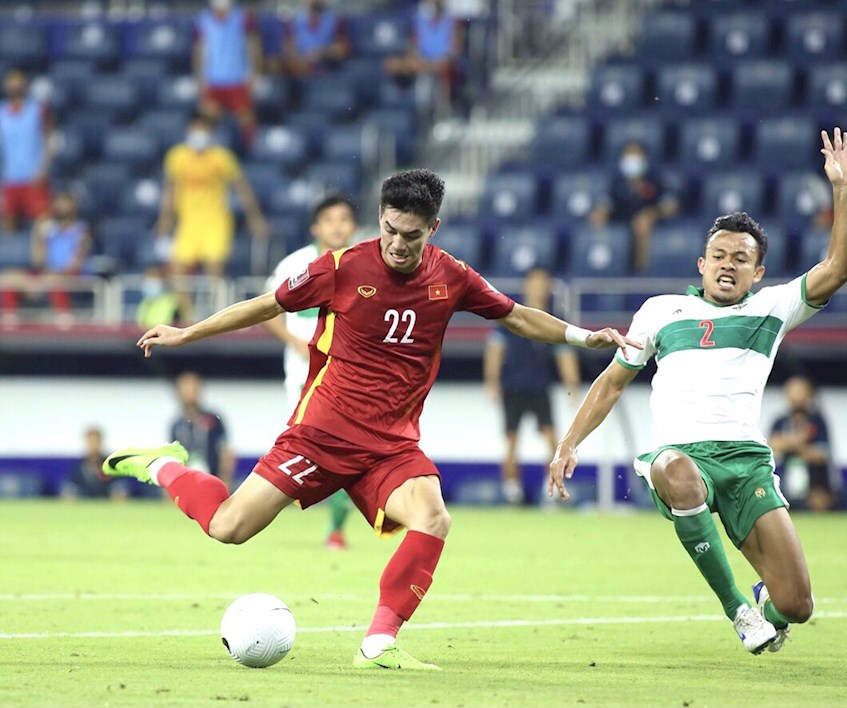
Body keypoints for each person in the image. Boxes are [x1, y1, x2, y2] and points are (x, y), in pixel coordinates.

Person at [103, 168, 633, 670]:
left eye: (411, 235)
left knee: (433, 517)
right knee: (228, 527)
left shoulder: (451, 276)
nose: (397, 244)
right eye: (389, 230)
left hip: (392, 444)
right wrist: (187, 332)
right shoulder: (341, 267)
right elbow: (267, 305)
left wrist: (582, 336)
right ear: (380, 217)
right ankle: (162, 465)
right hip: (321, 434)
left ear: (433, 228)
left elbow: (516, 315)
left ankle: (379, 643)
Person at [550, 129, 847, 655]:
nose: (727, 264)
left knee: (797, 605)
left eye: (740, 258)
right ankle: (738, 609)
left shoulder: (771, 308)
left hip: (745, 463)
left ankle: (766, 607)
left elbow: (840, 268)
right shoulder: (660, 311)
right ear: (701, 264)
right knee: (678, 470)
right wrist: (568, 442)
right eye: (718, 255)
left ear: (757, 272)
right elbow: (611, 382)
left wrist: (843, 190)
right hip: (677, 456)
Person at [264, 194, 358, 549]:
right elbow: (266, 310)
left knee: (347, 449)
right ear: (315, 228)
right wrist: (293, 342)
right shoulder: (295, 264)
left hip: (348, 375)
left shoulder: (364, 263)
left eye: (343, 219)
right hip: (304, 374)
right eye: (329, 219)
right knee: (303, 445)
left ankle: (335, 528)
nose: (337, 226)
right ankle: (265, 506)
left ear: (353, 226)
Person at [154, 112, 268, 319]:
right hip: (188, 222)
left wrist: (255, 218)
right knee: (176, 269)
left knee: (214, 268)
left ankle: (216, 316)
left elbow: (242, 187)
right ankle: (189, 317)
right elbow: (170, 189)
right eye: (196, 128)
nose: (200, 134)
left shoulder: (222, 157)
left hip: (216, 221)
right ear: (189, 130)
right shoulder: (177, 156)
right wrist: (164, 220)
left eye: (204, 129)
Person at [483, 268, 580, 506]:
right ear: (526, 285)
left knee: (551, 439)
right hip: (512, 387)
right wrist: (492, 381)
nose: (539, 287)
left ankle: (552, 490)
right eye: (535, 282)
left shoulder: (554, 319)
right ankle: (512, 491)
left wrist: (572, 384)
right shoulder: (509, 314)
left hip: (540, 387)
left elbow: (564, 354)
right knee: (511, 441)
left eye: (543, 283)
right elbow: (495, 350)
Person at [0, 191, 90, 327]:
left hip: (73, 277)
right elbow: (38, 261)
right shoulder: (49, 230)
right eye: (58, 204)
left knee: (54, 279)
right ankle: (10, 317)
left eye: (65, 205)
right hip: (47, 275)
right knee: (10, 276)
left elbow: (76, 264)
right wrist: (38, 234)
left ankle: (64, 315)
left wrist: (50, 276)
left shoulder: (82, 231)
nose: (61, 208)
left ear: (73, 207)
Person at [590, 141, 680, 272]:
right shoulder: (617, 181)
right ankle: (606, 269)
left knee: (642, 224)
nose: (632, 160)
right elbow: (605, 203)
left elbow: (671, 205)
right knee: (596, 219)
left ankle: (640, 271)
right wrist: (601, 213)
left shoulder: (655, 179)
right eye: (628, 155)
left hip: (648, 222)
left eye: (636, 155)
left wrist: (652, 213)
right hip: (620, 220)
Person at [193, 0, 262, 149]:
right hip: (212, 79)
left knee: (245, 117)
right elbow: (199, 50)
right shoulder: (203, 20)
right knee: (207, 117)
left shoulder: (243, 18)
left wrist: (256, 72)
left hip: (237, 78)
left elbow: (253, 45)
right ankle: (209, 151)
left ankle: (252, 148)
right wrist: (199, 78)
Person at [768, 375, 838, 512]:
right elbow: (772, 447)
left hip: (815, 489)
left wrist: (792, 444)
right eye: (792, 392)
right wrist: (796, 441)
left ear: (809, 394)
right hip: (786, 486)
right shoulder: (780, 421)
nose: (797, 397)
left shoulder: (817, 421)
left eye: (800, 391)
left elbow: (821, 454)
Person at [383, 0, 463, 111]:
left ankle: (443, 108)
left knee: (443, 70)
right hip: (423, 62)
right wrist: (418, 61)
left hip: (443, 62)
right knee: (394, 64)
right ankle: (416, 109)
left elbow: (455, 50)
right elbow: (412, 47)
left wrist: (438, 62)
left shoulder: (451, 21)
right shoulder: (419, 21)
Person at [0, 68, 54, 232]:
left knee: (43, 226)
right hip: (9, 178)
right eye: (11, 83)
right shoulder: (1, 112)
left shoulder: (38, 110)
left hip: (34, 177)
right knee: (7, 226)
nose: (14, 86)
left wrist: (44, 170)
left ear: (25, 85)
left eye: (18, 82)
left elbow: (50, 140)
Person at [169, 371, 236, 491]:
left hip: (213, 481)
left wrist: (225, 480)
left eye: (193, 387)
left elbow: (225, 452)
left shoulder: (213, 419)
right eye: (185, 387)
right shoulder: (176, 425)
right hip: (187, 485)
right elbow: (172, 458)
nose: (190, 391)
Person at [281, 0, 350, 77]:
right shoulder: (292, 22)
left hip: (328, 72)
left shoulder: (335, 21)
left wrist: (322, 52)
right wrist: (301, 62)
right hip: (301, 73)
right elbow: (288, 51)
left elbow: (342, 50)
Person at [61, 427, 130, 501]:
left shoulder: (111, 465)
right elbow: (69, 487)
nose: (93, 446)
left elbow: (120, 486)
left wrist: (119, 492)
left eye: (96, 442)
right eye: (91, 442)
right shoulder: (78, 468)